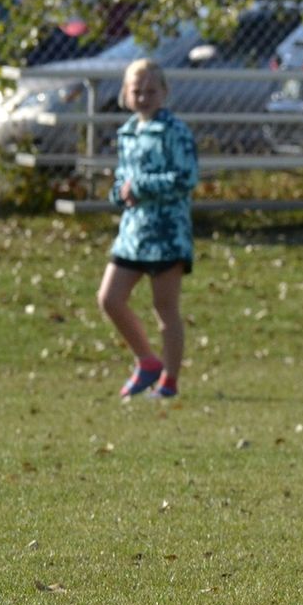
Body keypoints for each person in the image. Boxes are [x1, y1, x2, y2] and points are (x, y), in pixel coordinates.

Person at [100, 58, 198, 401]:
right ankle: (147, 361)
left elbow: (186, 178)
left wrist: (140, 187)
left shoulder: (175, 132)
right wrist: (119, 192)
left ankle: (169, 383)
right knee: (110, 299)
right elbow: (122, 179)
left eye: (151, 91)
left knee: (164, 308)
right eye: (136, 91)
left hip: (167, 234)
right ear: (126, 94)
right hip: (133, 233)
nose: (143, 97)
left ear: (164, 93)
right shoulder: (128, 132)